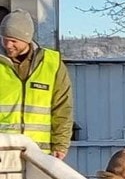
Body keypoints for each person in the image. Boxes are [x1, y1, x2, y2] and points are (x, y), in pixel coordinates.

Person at [0, 9, 73, 158]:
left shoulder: (52, 63)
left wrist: (60, 144)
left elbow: (62, 108)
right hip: (3, 152)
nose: (8, 45)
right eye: (4, 38)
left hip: (39, 154)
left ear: (27, 39)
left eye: (13, 40)